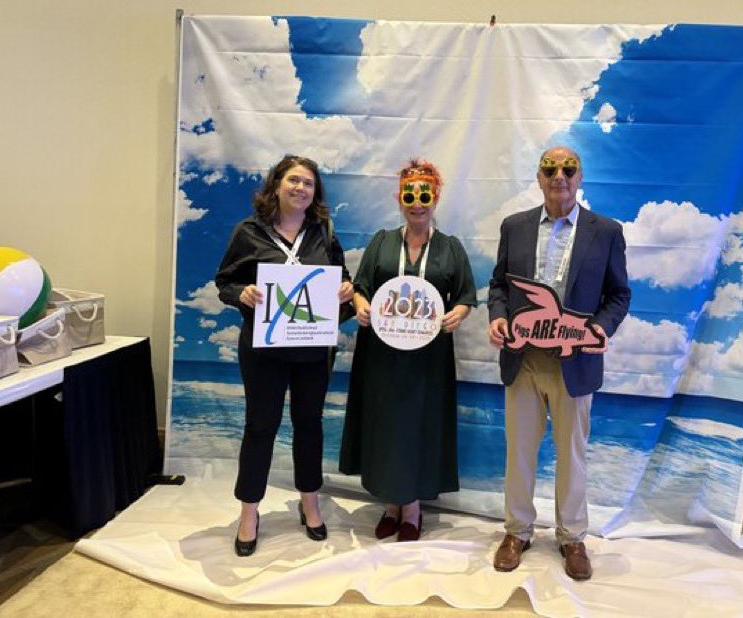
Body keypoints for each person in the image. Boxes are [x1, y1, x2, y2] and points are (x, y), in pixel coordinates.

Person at [487, 146, 630, 581]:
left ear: (579, 176)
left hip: (575, 362)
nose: (559, 176)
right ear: (539, 176)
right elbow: (498, 285)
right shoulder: (515, 227)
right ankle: (517, 531)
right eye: (550, 169)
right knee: (521, 451)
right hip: (523, 359)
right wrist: (497, 316)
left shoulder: (606, 231)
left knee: (573, 454)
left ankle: (572, 537)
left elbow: (619, 294)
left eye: (568, 169)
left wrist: (601, 328)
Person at [215, 155, 354, 556]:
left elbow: (341, 279)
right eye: (293, 180)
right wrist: (240, 293)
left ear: (316, 193)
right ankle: (249, 511)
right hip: (263, 350)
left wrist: (345, 291)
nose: (300, 189)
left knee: (308, 424)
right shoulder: (249, 231)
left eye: (308, 183)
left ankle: (309, 502)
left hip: (312, 349)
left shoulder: (323, 233)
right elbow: (225, 280)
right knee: (260, 426)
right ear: (276, 184)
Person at [339, 158, 477, 542]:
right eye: (410, 194)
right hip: (382, 354)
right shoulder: (382, 241)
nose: (417, 202)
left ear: (435, 198)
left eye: (425, 194)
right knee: (385, 425)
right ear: (400, 198)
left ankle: (412, 507)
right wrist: (362, 305)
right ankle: (389, 504)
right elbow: (361, 285)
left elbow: (465, 295)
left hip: (428, 358)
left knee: (420, 427)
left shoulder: (450, 247)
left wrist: (458, 314)